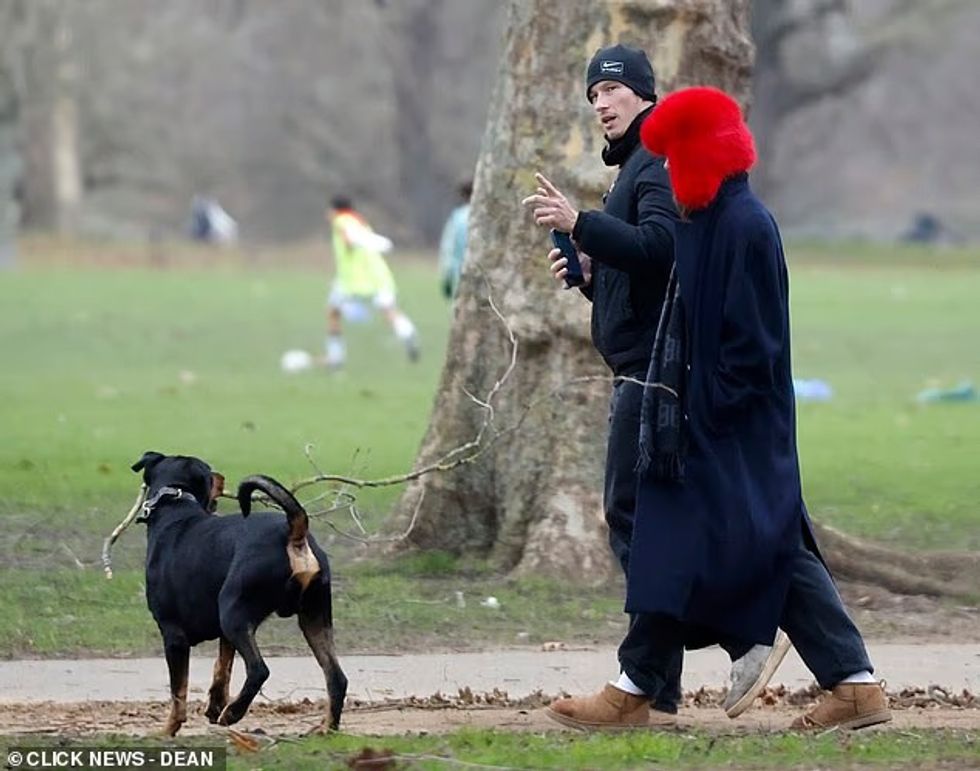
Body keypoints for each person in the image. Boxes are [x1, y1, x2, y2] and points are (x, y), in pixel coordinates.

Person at [547, 86, 891, 732]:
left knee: (763, 546)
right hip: (699, 417)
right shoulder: (704, 220)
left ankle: (847, 684)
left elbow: (753, 348)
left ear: (704, 153)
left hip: (733, 424)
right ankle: (642, 685)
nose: (668, 171)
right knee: (679, 542)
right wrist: (594, 276)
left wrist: (707, 415)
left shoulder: (745, 226)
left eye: (676, 157)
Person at [522, 45, 789, 730]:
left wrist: (581, 224)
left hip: (654, 379)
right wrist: (590, 274)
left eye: (611, 90)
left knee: (639, 522)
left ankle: (665, 668)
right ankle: (658, 685)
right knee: (645, 523)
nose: (601, 104)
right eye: (592, 95)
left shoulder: (654, 164)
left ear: (644, 93)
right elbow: (641, 272)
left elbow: (663, 251)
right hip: (638, 368)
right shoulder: (635, 168)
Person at [324, 195, 419, 368]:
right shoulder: (361, 222)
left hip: (353, 280)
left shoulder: (342, 221)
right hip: (378, 277)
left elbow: (349, 239)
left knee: (333, 313)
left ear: (334, 210)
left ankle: (336, 357)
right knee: (389, 311)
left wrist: (353, 241)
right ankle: (407, 332)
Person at [438, 179, 472, 299]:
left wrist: (446, 279)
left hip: (460, 274)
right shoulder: (487, 216)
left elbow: (448, 249)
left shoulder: (457, 218)